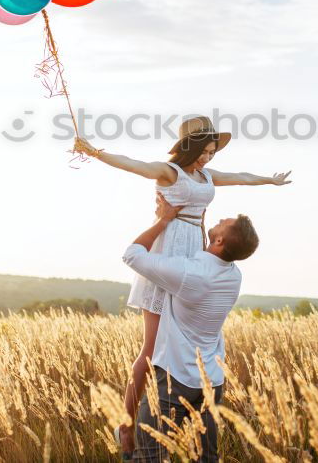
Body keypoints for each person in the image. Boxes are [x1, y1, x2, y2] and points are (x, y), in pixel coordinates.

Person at [72, 115, 291, 455]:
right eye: (204, 151)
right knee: (150, 349)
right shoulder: (169, 172)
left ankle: (171, 418)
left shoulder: (206, 176)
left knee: (182, 337)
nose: (208, 159)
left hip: (197, 252)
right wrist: (93, 152)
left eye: (213, 153)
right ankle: (127, 424)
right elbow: (134, 165)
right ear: (190, 147)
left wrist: (269, 181)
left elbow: (241, 177)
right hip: (169, 246)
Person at [121, 191, 260, 462]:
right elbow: (208, 253)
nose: (219, 218)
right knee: (205, 457)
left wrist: (163, 221)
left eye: (224, 222)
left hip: (176, 379)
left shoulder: (191, 274)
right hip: (211, 382)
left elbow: (132, 255)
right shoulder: (233, 275)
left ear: (219, 240)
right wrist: (196, 219)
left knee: (150, 455)